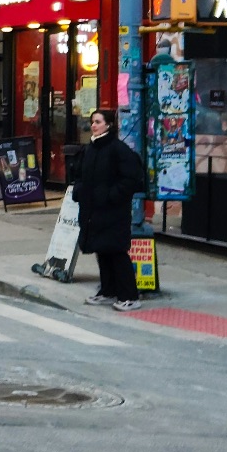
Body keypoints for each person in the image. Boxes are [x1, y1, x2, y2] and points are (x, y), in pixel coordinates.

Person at [77, 108, 148, 311]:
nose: (94, 125)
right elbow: (80, 174)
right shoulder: (91, 148)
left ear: (108, 124)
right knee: (102, 250)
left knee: (116, 252)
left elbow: (131, 179)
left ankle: (129, 296)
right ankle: (108, 291)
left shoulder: (118, 149)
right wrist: (80, 192)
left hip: (113, 212)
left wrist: (111, 196)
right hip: (94, 211)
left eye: (98, 122)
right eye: (92, 121)